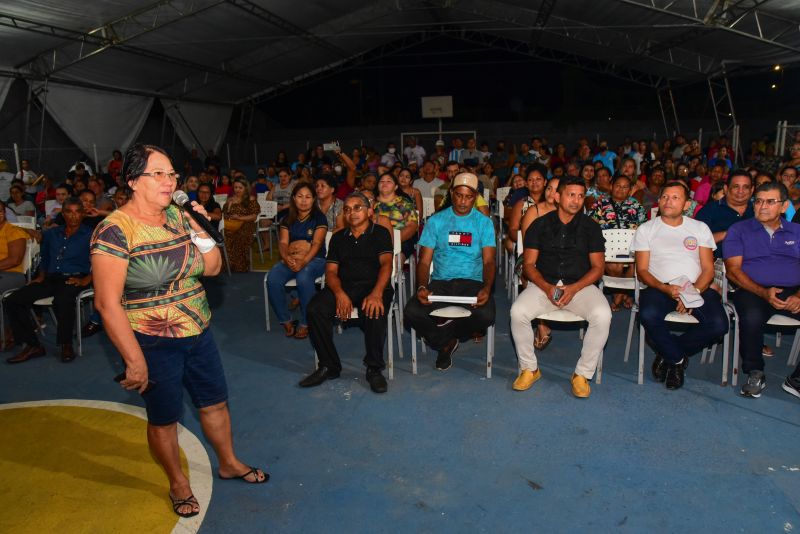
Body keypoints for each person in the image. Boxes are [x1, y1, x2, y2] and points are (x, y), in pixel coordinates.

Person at [90, 144, 266, 519]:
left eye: (172, 174)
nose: (170, 181)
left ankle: (229, 462)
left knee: (215, 401)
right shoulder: (114, 230)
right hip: (152, 339)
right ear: (134, 181)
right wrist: (134, 360)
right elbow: (107, 303)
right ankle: (178, 483)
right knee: (165, 417)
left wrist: (200, 227)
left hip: (198, 328)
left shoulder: (178, 215)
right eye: (159, 174)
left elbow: (214, 268)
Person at [509, 176, 611, 398]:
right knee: (518, 312)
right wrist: (546, 287)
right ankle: (530, 368)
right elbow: (528, 265)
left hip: (580, 286)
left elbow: (597, 268)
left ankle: (582, 374)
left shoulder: (591, 227)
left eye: (580, 196)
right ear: (557, 196)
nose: (576, 200)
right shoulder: (540, 225)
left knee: (603, 314)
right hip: (544, 284)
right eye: (570, 194)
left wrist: (574, 288)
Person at [632, 181, 729, 390]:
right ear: (659, 201)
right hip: (660, 287)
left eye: (676, 197)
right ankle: (676, 360)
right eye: (665, 196)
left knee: (719, 324)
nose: (669, 201)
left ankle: (668, 353)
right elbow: (642, 271)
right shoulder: (646, 229)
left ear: (687, 204)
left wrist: (690, 294)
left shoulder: (699, 228)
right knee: (647, 315)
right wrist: (666, 289)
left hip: (696, 287)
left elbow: (708, 269)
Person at [300, 192, 394, 393]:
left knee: (374, 310)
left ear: (369, 211)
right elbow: (331, 272)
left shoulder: (381, 233)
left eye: (357, 207)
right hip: (345, 286)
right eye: (347, 209)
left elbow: (387, 265)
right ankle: (329, 366)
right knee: (315, 309)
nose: (352, 212)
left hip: (375, 285)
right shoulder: (337, 238)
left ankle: (374, 369)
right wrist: (340, 294)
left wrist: (377, 293)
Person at [403, 173, 496, 371]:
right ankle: (447, 339)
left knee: (487, 315)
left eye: (468, 197)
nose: (463, 201)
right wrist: (421, 286)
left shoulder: (484, 223)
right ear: (452, 193)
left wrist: (487, 287)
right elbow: (424, 261)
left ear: (476, 197)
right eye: (459, 195)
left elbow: (489, 261)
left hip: (471, 282)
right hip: (441, 282)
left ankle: (447, 337)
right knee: (411, 312)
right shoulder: (436, 221)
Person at [723, 182, 800, 399]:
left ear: (784, 206)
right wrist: (763, 292)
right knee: (752, 317)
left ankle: (797, 379)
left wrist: (798, 296)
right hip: (751, 289)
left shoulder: (797, 231)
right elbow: (733, 271)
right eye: (758, 201)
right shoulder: (739, 230)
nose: (762, 206)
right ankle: (755, 371)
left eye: (770, 201)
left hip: (793, 290)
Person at [5, 197, 92, 364]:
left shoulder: (91, 234)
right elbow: (45, 257)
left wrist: (86, 280)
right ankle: (32, 345)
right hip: (50, 278)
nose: (73, 216)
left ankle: (66, 344)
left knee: (63, 299)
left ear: (83, 214)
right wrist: (40, 276)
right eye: (69, 212)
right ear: (63, 214)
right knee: (13, 300)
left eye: (77, 212)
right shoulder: (52, 233)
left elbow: (101, 261)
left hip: (75, 278)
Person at [267, 183, 328, 340]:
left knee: (303, 277)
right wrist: (286, 258)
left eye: (308, 197)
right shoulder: (287, 219)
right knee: (273, 278)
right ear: (293, 198)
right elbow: (283, 243)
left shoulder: (319, 218)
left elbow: (316, 244)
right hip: (292, 258)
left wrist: (304, 262)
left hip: (315, 259)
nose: (304, 200)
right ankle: (285, 319)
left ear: (314, 199)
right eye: (300, 196)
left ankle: (307, 322)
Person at [695, 170, 754, 257]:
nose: (740, 191)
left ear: (752, 190)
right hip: (717, 265)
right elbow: (694, 242)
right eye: (736, 186)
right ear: (726, 189)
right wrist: (727, 234)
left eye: (745, 187)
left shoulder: (758, 211)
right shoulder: (709, 210)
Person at [374, 173, 419, 261]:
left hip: (401, 240)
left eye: (389, 181)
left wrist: (394, 241)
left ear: (396, 187)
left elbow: (412, 226)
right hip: (375, 240)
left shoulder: (402, 203)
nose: (384, 183)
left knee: (395, 258)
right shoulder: (372, 204)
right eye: (382, 181)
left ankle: (395, 272)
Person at [221, 178, 259, 272]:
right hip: (231, 224)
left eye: (240, 188)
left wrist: (239, 218)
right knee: (222, 236)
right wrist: (229, 207)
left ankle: (239, 267)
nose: (237, 190)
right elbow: (224, 214)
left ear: (246, 188)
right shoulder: (230, 199)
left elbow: (254, 216)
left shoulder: (251, 199)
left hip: (246, 225)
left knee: (237, 236)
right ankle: (227, 266)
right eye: (235, 187)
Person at [0, 199, 28, 299]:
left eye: (0, 211)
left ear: (5, 213)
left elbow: (15, 260)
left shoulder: (14, 231)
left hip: (12, 274)